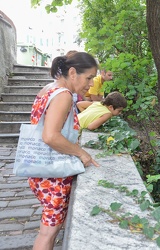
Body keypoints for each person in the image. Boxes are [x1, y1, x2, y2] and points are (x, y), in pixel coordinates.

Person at [28, 52, 100, 250]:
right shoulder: (64, 95)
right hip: (53, 175)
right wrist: (80, 153)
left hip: (40, 168)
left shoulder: (49, 88)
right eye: (89, 77)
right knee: (48, 234)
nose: (91, 84)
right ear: (73, 72)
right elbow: (50, 136)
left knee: (48, 231)